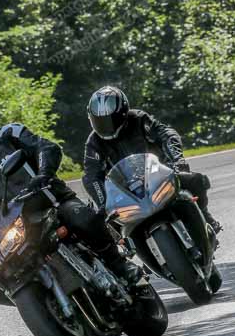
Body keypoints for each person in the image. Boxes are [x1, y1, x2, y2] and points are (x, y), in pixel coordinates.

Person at [0, 108, 142, 287]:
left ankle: (120, 265)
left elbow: (47, 147)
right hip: (17, 226)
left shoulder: (9, 135)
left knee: (83, 218)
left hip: (52, 201)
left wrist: (44, 173)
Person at [82, 86, 221, 233]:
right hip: (126, 190)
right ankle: (124, 250)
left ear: (123, 112)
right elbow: (91, 175)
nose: (106, 126)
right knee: (108, 224)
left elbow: (166, 134)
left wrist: (178, 160)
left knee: (195, 180)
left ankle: (205, 217)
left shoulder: (138, 119)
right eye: (100, 121)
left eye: (111, 119)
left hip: (158, 174)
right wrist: (103, 203)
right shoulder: (94, 142)